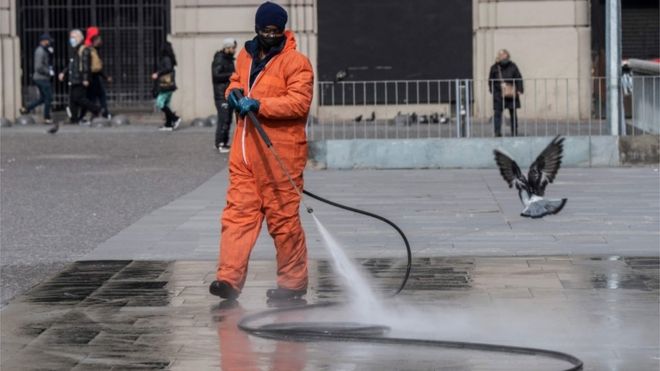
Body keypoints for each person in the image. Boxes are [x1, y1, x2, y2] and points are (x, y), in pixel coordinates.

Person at [209, 1, 314, 301]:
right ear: (257, 28)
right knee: (237, 217)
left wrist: (260, 105)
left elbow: (299, 102)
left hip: (279, 157)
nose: (269, 35)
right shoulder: (245, 55)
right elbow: (233, 83)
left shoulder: (296, 62)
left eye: (275, 30)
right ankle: (228, 280)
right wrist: (234, 94)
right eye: (264, 30)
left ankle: (293, 283)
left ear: (282, 29)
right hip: (244, 155)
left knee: (283, 221)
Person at [58, 29, 101, 128]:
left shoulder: (83, 49)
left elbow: (86, 65)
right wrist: (63, 72)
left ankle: (96, 109)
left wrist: (85, 78)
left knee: (79, 98)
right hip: (74, 78)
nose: (71, 39)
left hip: (80, 78)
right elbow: (72, 64)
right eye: (71, 37)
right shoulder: (76, 49)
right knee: (73, 100)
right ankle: (74, 119)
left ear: (79, 38)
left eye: (73, 37)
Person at [20, 33, 55, 125]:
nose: (49, 42)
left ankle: (26, 108)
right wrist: (48, 72)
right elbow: (38, 67)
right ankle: (46, 117)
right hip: (41, 78)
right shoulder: (40, 51)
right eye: (48, 41)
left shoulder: (44, 50)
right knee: (48, 97)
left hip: (42, 77)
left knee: (43, 98)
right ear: (43, 41)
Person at [488, 49, 523, 137]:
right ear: (499, 57)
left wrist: (519, 89)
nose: (504, 58)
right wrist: (492, 90)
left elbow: (518, 77)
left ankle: (514, 132)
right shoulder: (494, 67)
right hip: (498, 94)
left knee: (513, 113)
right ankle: (497, 132)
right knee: (497, 113)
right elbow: (490, 80)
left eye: (505, 56)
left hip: (511, 92)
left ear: (508, 56)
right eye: (502, 56)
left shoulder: (513, 66)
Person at [79, 27, 112, 120]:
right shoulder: (89, 49)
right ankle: (91, 114)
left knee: (97, 96)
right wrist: (85, 78)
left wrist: (105, 77)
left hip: (94, 76)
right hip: (91, 77)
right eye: (98, 38)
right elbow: (87, 65)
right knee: (92, 97)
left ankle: (100, 113)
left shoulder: (94, 49)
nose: (100, 40)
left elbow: (97, 66)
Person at [212, 38, 237, 153]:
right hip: (221, 95)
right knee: (224, 119)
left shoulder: (228, 59)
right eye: (232, 48)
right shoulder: (219, 59)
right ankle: (220, 143)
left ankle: (224, 142)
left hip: (227, 94)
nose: (234, 50)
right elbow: (216, 75)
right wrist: (232, 75)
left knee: (227, 119)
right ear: (227, 47)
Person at [151, 41, 181, 131]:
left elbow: (168, 68)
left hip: (166, 85)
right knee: (166, 104)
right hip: (169, 85)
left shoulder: (166, 58)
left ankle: (175, 118)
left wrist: (158, 73)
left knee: (160, 103)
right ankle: (168, 124)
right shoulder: (169, 58)